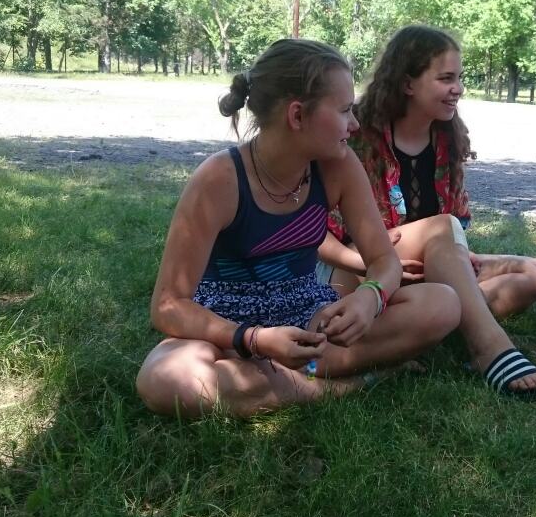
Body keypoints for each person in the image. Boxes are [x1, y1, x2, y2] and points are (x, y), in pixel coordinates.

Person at [136, 39, 461, 418]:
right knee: (165, 379)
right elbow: (168, 306)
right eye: (344, 110)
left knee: (443, 304)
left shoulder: (339, 166)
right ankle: (341, 383)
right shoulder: (219, 179)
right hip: (230, 330)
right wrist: (255, 339)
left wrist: (369, 298)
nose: (355, 124)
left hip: (313, 322)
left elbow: (384, 262)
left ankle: (277, 378)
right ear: (297, 116)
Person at [320, 24, 536, 399]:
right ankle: (490, 349)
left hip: (427, 264)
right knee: (442, 228)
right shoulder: (358, 135)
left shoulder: (448, 135)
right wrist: (372, 261)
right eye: (446, 78)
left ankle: (436, 323)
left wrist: (456, 254)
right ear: (408, 83)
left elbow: (456, 218)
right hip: (362, 267)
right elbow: (319, 230)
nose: (458, 88)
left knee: (535, 273)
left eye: (459, 78)